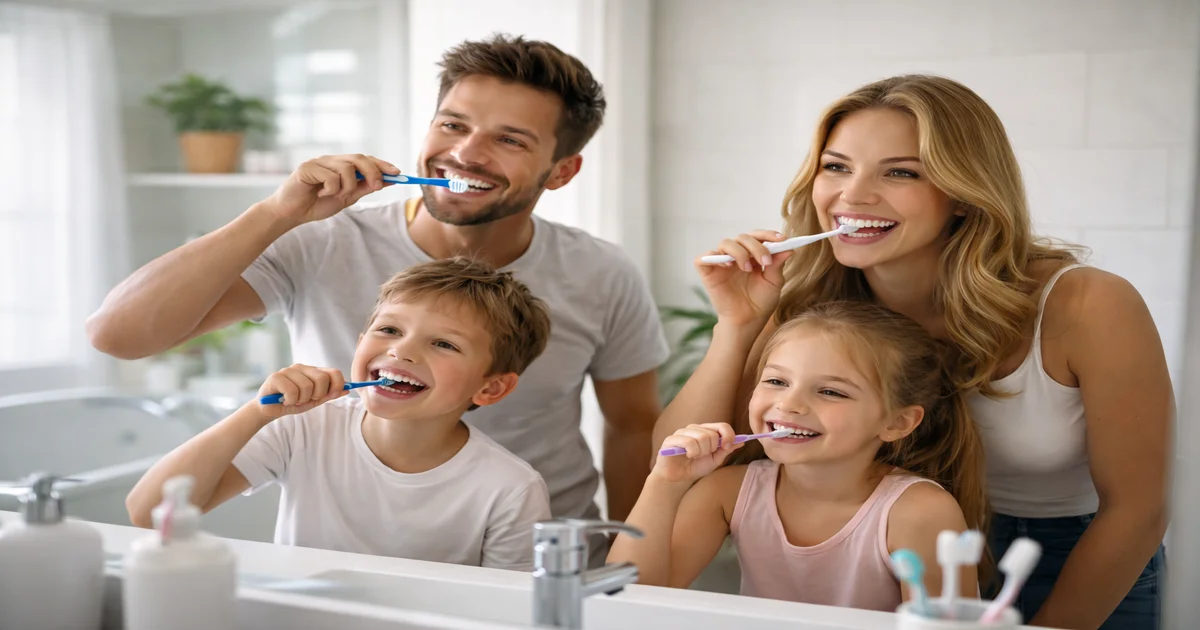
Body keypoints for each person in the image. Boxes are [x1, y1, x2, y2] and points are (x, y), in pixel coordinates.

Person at [88, 34, 669, 564]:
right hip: (353, 557)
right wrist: (276, 213)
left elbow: (631, 426)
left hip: (541, 557)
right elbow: (118, 336)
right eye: (452, 125)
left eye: (509, 140)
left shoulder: (602, 272)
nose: (466, 154)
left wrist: (623, 565)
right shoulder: (320, 243)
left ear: (562, 170)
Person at [656, 74, 1172, 629]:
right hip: (897, 554)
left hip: (1070, 557)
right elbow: (675, 461)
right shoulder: (814, 305)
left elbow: (1137, 510)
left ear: (963, 194)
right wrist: (735, 327)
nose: (852, 195)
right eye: (836, 166)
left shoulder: (1088, 304)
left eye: (901, 172)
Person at [126, 257, 553, 571]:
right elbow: (147, 512)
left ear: (491, 387)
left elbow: (510, 614)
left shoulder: (511, 489)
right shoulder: (301, 428)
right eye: (389, 329)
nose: (401, 350)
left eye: (444, 344)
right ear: (361, 339)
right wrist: (256, 414)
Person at [610, 301, 985, 610]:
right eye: (776, 381)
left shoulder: (918, 511)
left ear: (898, 422)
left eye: (831, 392)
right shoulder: (727, 492)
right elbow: (624, 603)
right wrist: (664, 484)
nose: (789, 404)